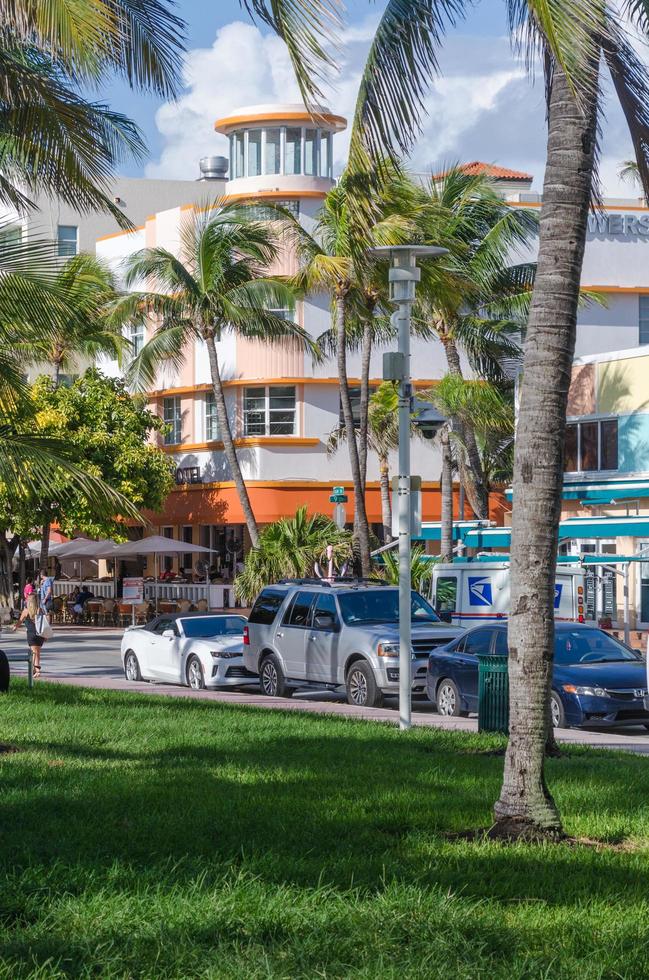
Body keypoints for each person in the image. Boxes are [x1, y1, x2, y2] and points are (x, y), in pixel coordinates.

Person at [11, 594, 46, 677]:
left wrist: (15, 627)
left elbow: (19, 622)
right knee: (37, 652)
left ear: (29, 602)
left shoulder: (26, 611)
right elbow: (44, 623)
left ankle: (35, 670)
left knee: (34, 652)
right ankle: (36, 669)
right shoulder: (40, 610)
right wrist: (45, 635)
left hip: (31, 634)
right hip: (40, 634)